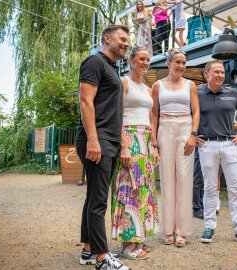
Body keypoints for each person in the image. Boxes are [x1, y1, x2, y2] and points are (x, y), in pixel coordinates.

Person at [76, 25, 131, 270]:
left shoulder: (111, 67)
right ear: (107, 38)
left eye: (128, 40)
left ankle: (88, 251)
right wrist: (94, 140)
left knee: (93, 199)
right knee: (99, 201)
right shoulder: (94, 62)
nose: (126, 43)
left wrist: (120, 141)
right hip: (97, 139)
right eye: (122, 39)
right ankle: (102, 258)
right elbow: (85, 101)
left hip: (107, 139)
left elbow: (114, 110)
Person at [197, 60, 237, 246]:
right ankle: (209, 227)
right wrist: (192, 136)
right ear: (207, 74)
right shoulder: (197, 94)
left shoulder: (233, 92)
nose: (220, 75)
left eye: (222, 72)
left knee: (235, 188)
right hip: (207, 145)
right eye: (216, 72)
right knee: (209, 187)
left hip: (229, 144)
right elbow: (188, 115)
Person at [111, 47, 160, 260]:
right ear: (131, 61)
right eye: (141, 58)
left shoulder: (148, 89)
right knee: (127, 188)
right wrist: (123, 144)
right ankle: (126, 245)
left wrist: (154, 146)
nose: (145, 62)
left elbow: (152, 119)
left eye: (148, 59)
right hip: (130, 138)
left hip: (146, 140)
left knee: (144, 190)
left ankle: (138, 236)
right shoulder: (123, 83)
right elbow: (117, 114)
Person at [151, 48, 200, 247]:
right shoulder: (157, 85)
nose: (181, 66)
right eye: (177, 62)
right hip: (165, 128)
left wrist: (193, 135)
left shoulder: (191, 85)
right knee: (167, 180)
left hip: (186, 128)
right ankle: (168, 230)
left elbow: (196, 111)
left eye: (184, 62)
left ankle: (182, 231)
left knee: (185, 179)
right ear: (168, 63)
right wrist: (154, 141)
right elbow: (153, 114)